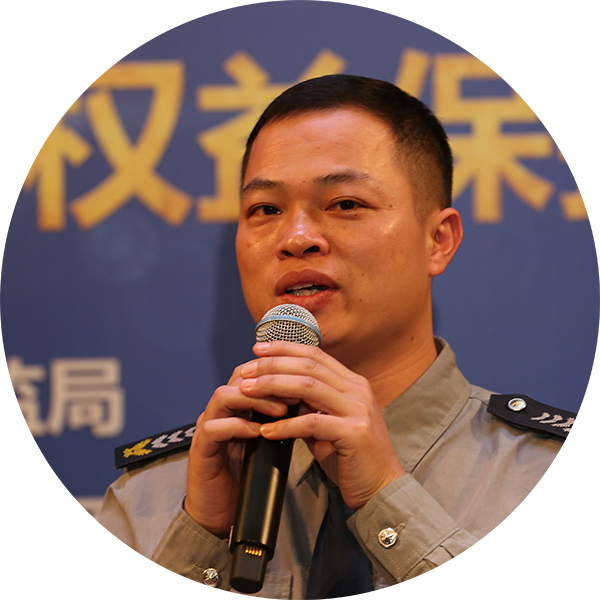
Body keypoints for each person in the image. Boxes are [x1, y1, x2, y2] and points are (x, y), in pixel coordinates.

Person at [100, 75, 594, 598]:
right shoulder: (151, 499)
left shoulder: (570, 483)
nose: (295, 238)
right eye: (266, 210)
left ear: (438, 240)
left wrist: (386, 500)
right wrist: (199, 543)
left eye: (345, 204)